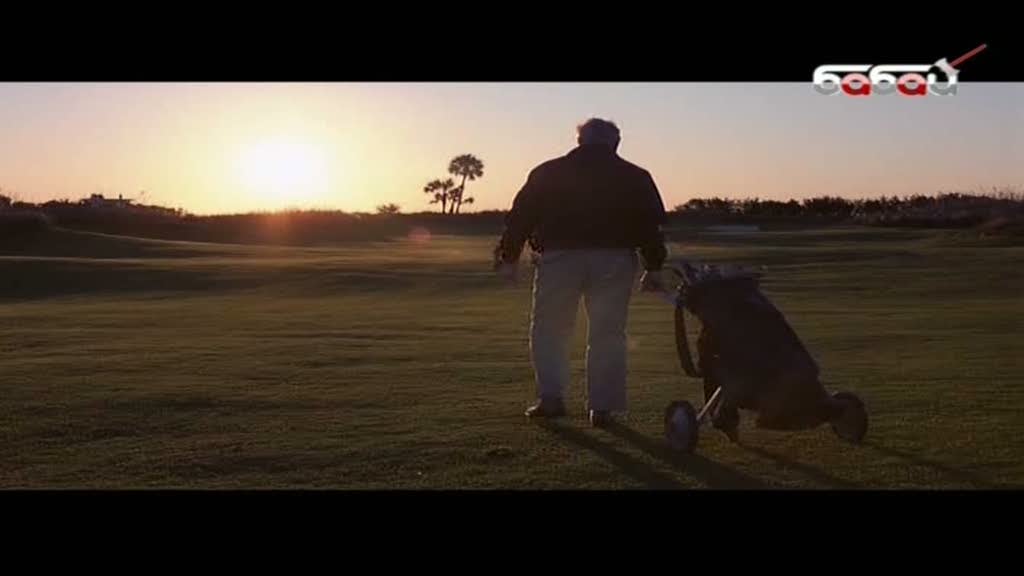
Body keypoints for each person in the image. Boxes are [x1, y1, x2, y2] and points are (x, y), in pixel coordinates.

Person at [493, 118, 668, 427]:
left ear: (579, 141)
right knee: (608, 332)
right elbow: (649, 226)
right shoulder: (635, 176)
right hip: (614, 259)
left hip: (560, 258)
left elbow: (520, 218)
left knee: (550, 329)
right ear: (616, 142)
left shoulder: (548, 171)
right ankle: (602, 408)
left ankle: (551, 399)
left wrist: (509, 258)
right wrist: (653, 267)